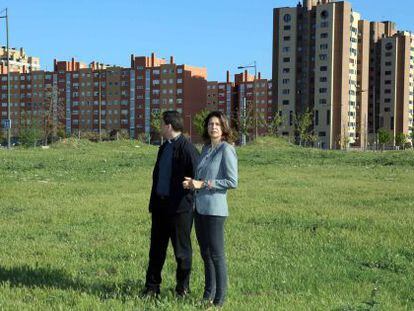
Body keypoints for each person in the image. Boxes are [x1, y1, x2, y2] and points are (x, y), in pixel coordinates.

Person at [182, 111, 238, 307]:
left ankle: (219, 300)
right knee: (205, 253)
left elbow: (232, 181)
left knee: (217, 254)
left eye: (217, 124)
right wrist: (192, 183)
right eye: (210, 124)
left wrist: (203, 184)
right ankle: (208, 294)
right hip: (200, 209)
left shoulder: (226, 149)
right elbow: (200, 177)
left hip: (215, 210)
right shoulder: (205, 149)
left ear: (223, 128)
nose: (213, 127)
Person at [142, 110, 199, 298]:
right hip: (160, 208)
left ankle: (182, 289)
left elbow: (198, 176)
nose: (160, 128)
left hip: (179, 210)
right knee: (156, 250)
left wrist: (191, 187)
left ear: (168, 126)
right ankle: (152, 288)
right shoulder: (163, 147)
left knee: (182, 253)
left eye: (161, 124)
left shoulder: (188, 148)